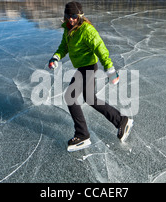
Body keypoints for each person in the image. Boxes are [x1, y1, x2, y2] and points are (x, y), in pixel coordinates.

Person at [48, 1, 133, 152]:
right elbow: (64, 47)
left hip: (88, 67)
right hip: (82, 67)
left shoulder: (87, 30)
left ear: (80, 15)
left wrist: (110, 70)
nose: (71, 19)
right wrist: (56, 57)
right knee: (90, 98)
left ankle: (82, 135)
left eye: (74, 16)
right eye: (68, 16)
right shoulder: (68, 29)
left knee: (70, 96)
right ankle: (121, 120)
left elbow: (101, 49)